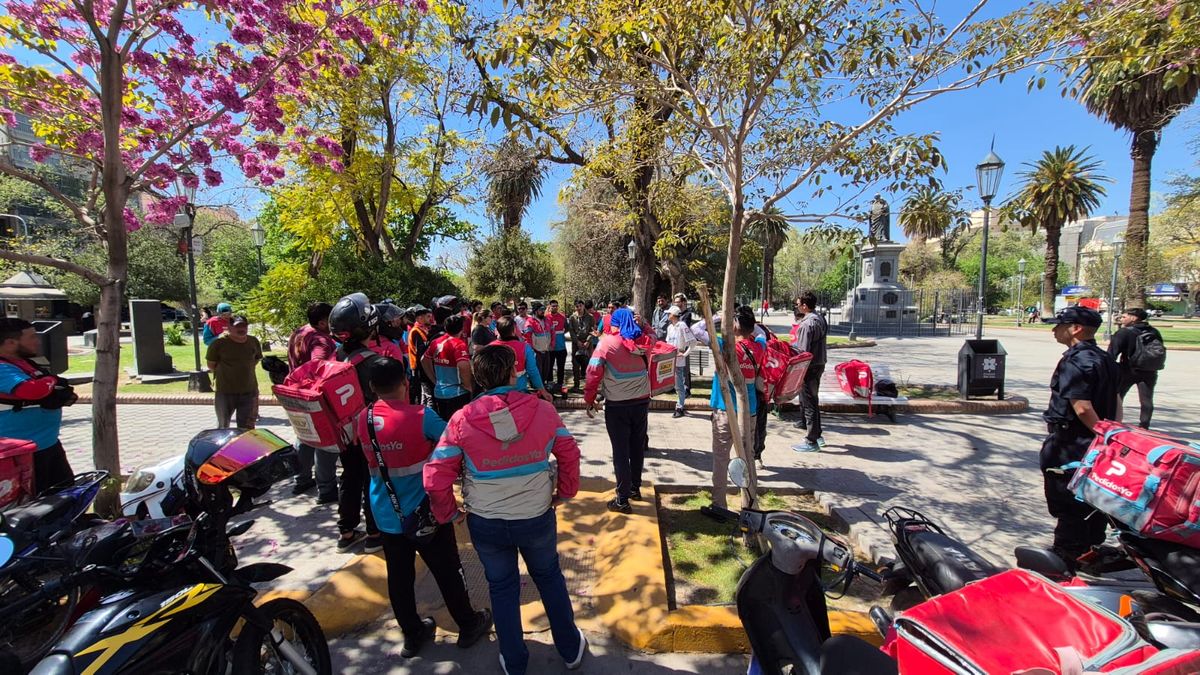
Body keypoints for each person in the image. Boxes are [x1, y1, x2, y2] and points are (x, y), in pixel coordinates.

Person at [424, 345, 586, 675]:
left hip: (486, 523)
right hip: (536, 517)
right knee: (549, 578)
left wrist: (450, 514)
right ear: (513, 372)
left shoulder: (461, 419)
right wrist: (564, 492)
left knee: (502, 587)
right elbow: (569, 454)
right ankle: (570, 649)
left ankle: (513, 660)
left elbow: (434, 476)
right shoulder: (544, 411)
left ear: (480, 378)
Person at [355, 357, 492, 658]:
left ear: (371, 387)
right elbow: (456, 438)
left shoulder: (362, 420)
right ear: (405, 382)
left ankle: (412, 634)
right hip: (425, 511)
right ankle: (468, 624)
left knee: (399, 577)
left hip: (386, 513)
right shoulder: (421, 416)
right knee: (446, 571)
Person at [1041, 306, 1119, 566]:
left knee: (1069, 500)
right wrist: (1111, 434)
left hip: (1072, 443)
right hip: (1097, 440)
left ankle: (1067, 556)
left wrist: (1100, 434)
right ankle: (1091, 549)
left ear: (1076, 329)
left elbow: (1082, 406)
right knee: (1093, 499)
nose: (1054, 330)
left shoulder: (1076, 360)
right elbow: (1116, 399)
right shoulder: (1105, 358)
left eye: (1059, 325)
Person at [329, 294, 386, 553]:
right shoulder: (375, 364)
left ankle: (347, 531)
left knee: (350, 478)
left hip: (343, 434)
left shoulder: (336, 357)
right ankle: (374, 532)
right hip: (369, 432)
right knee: (372, 479)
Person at [584, 307, 655, 514]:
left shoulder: (606, 343)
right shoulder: (644, 340)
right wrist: (644, 323)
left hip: (617, 406)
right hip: (641, 403)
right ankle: (634, 488)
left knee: (621, 451)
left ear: (614, 322)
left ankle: (622, 499)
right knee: (636, 447)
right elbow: (654, 335)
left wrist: (589, 399)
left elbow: (592, 373)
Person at [0, 318, 76, 493]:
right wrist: (51, 380)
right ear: (11, 342)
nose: (38, 340)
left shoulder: (25, 361)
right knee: (37, 504)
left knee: (65, 496)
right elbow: (31, 390)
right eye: (32, 337)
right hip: (22, 453)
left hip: (48, 444)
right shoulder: (3, 368)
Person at [699, 313, 763, 509]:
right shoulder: (759, 347)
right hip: (749, 411)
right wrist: (751, 323)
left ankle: (719, 503)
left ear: (734, 326)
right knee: (748, 457)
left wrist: (718, 317)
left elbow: (696, 330)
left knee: (720, 458)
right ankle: (750, 502)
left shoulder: (725, 346)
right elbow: (761, 334)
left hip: (724, 411)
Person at [288, 302, 339, 501]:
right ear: (321, 322)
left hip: (296, 392)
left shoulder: (300, 332)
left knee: (304, 435)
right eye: (331, 319)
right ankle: (326, 489)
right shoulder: (321, 341)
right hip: (314, 395)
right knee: (326, 442)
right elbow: (318, 364)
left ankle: (301, 479)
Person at [1108, 307, 1165, 429]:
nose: (1121, 319)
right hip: (1149, 370)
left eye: (1124, 316)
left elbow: (1111, 354)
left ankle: (1114, 423)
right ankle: (1144, 426)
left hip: (1127, 370)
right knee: (1146, 400)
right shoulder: (1154, 331)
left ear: (1133, 318)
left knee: (1117, 397)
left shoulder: (1124, 332)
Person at [206, 315, 262, 430]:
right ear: (229, 327)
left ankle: (245, 448)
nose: (241, 329)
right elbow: (211, 365)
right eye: (237, 326)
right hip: (225, 392)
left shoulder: (253, 341)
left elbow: (255, 360)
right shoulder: (218, 344)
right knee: (223, 426)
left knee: (247, 428)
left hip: (249, 391)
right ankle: (223, 447)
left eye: (244, 326)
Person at [791, 292, 828, 452]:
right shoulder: (820, 319)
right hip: (819, 364)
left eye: (798, 304)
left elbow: (802, 352)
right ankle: (817, 435)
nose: (797, 306)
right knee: (813, 400)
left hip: (810, 367)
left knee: (808, 403)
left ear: (805, 306)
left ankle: (811, 440)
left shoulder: (806, 325)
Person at [422, 315, 474, 420]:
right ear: (462, 328)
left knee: (446, 425)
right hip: (458, 393)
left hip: (439, 393)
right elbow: (463, 365)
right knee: (459, 426)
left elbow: (424, 360)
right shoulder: (459, 344)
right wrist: (468, 386)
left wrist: (434, 380)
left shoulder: (436, 342)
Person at [492, 317, 553, 402]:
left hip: (496, 395)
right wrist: (543, 391)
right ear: (513, 331)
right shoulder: (524, 348)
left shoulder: (490, 348)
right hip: (519, 392)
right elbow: (533, 371)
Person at [665, 306, 696, 418]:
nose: (668, 315)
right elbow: (668, 343)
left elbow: (693, 342)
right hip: (670, 359)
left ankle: (680, 407)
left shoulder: (682, 325)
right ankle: (680, 404)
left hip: (678, 360)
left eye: (669, 313)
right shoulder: (670, 327)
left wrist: (685, 353)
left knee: (679, 384)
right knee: (673, 383)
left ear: (673, 314)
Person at [406, 305, 435, 406]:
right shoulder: (416, 331)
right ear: (419, 318)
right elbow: (421, 353)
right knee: (428, 394)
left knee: (425, 394)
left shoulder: (422, 329)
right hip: (420, 367)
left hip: (421, 366)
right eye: (427, 317)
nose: (429, 318)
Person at [567, 300, 597, 391]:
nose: (579, 308)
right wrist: (577, 342)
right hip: (576, 343)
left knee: (589, 364)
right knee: (575, 364)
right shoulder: (572, 318)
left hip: (588, 343)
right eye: (577, 306)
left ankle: (589, 386)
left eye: (580, 305)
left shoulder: (590, 317)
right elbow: (571, 331)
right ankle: (576, 385)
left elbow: (593, 330)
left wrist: (588, 341)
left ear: (583, 306)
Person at [527, 303, 553, 392]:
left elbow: (552, 332)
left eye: (543, 309)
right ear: (535, 311)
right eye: (540, 310)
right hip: (536, 352)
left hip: (546, 350)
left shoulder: (548, 320)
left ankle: (543, 389)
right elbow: (527, 337)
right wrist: (531, 350)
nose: (542, 311)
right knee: (538, 372)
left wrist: (552, 344)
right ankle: (538, 390)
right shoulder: (530, 322)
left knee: (546, 371)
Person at [546, 300, 568, 391]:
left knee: (561, 367)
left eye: (556, 306)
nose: (555, 307)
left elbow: (566, 328)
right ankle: (550, 382)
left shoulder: (562, 317)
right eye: (553, 306)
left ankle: (560, 383)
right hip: (550, 348)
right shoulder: (546, 318)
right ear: (549, 307)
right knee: (549, 366)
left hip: (561, 347)